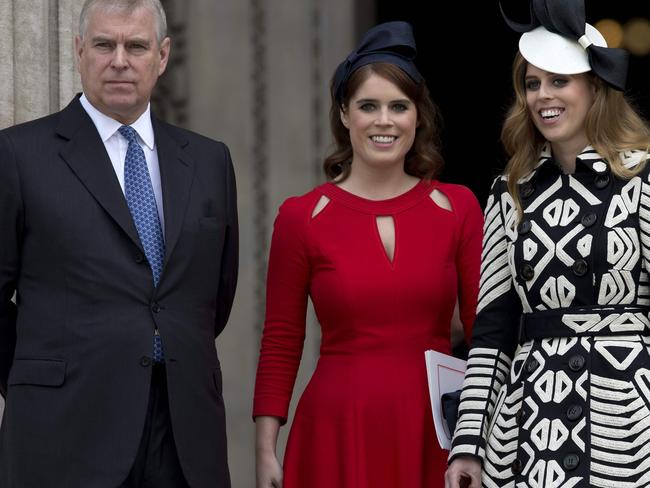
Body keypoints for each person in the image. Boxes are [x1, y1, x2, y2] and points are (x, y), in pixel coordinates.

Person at [0, 0, 238, 486]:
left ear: (163, 55)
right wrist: (40, 379)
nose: (120, 61)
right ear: (79, 50)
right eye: (105, 45)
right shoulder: (18, 155)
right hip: (63, 429)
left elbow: (214, 298)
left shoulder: (211, 162)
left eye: (136, 46)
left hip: (183, 433)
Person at [253, 20, 483, 488]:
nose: (384, 120)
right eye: (368, 106)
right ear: (344, 114)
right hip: (335, 430)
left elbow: (486, 333)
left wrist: (481, 438)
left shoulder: (458, 207)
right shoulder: (302, 217)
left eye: (399, 106)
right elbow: (281, 338)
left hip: (434, 429)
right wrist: (265, 449)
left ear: (417, 116)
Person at [445, 0, 650, 487]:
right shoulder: (509, 191)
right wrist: (468, 445)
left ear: (594, 86)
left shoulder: (641, 177)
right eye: (532, 83)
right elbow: (492, 330)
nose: (542, 96)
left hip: (627, 427)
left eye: (559, 80)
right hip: (531, 427)